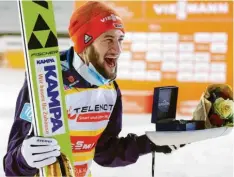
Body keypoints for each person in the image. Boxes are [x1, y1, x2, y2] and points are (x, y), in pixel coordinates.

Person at [3, 1, 186, 176]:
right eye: (108, 39)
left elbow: (106, 153)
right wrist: (23, 159)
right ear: (86, 42)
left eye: (120, 39)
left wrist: (151, 143)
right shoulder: (46, 79)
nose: (118, 49)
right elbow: (11, 166)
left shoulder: (110, 91)